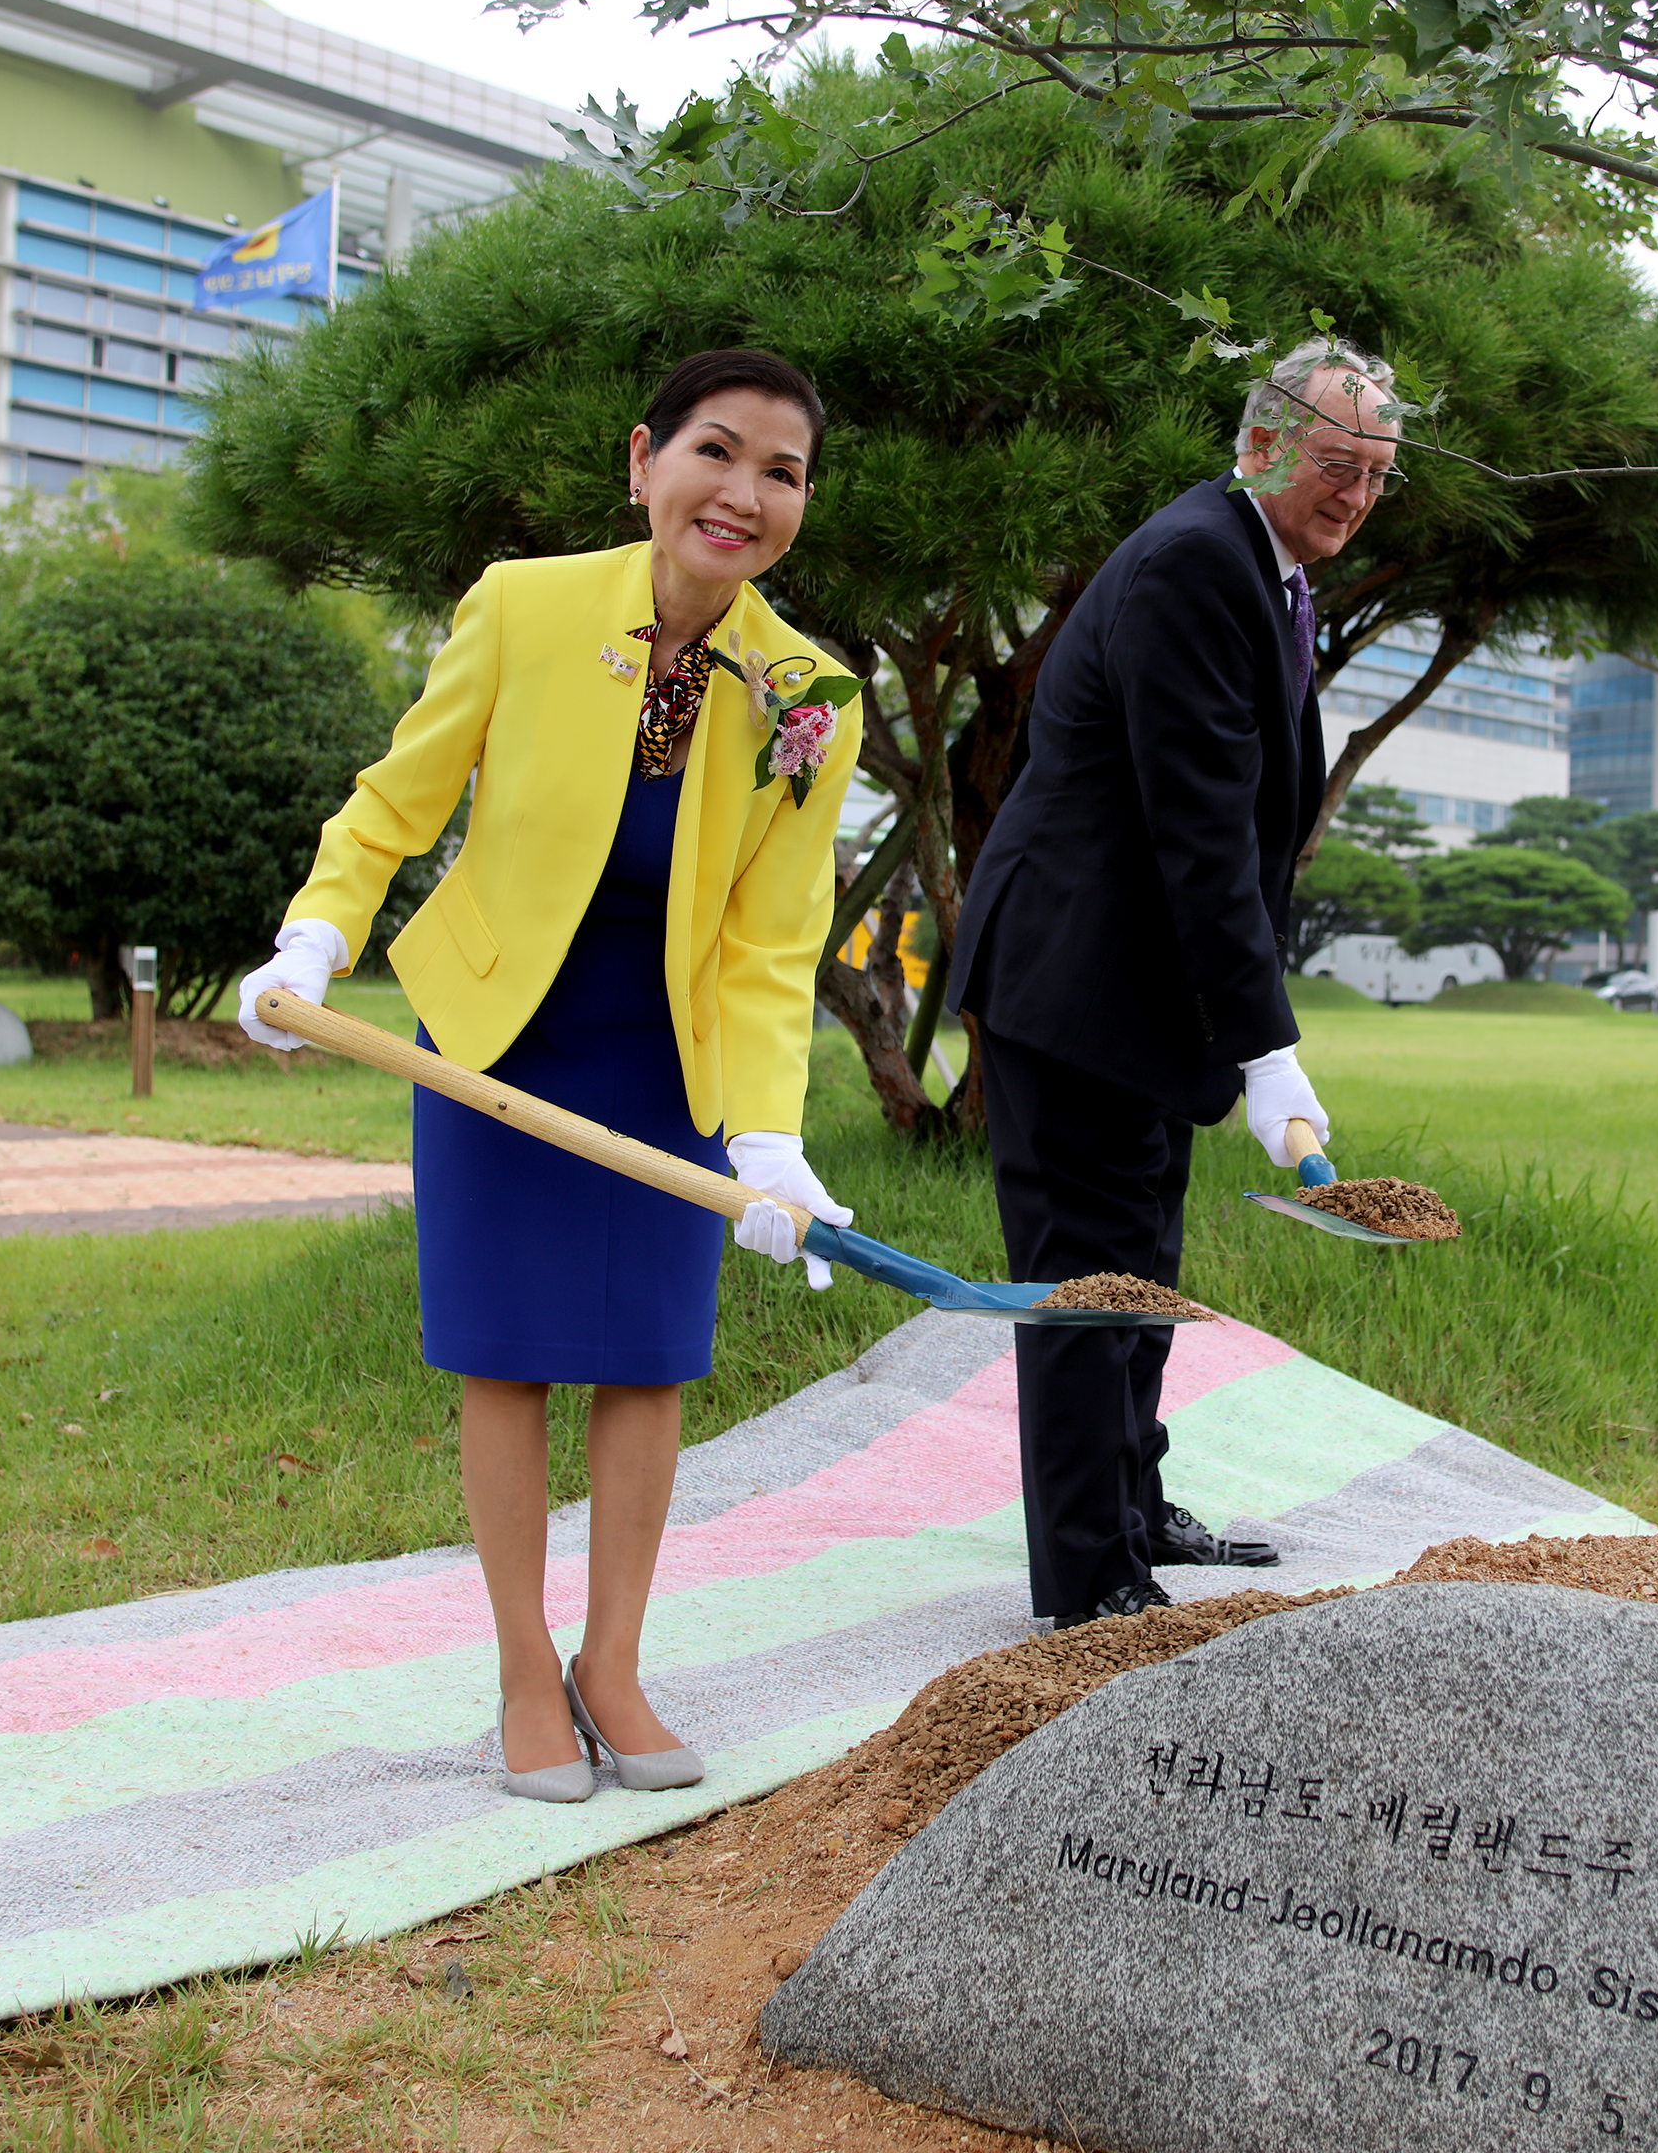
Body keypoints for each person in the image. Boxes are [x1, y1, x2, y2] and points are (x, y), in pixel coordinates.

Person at [236, 347, 861, 1801]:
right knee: (506, 1352)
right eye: (717, 451)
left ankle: (613, 1663)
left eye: (784, 473)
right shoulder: (521, 605)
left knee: (650, 1358)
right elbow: (402, 797)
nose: (745, 493)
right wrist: (319, 935)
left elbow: (776, 942)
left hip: (666, 1058)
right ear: (645, 459)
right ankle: (524, 1667)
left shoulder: (807, 695)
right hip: (493, 1036)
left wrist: (767, 1137)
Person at [946, 337, 1405, 1627]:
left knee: (1144, 1261)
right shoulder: (1200, 561)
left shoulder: (1260, 567)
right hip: (1077, 976)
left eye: (1376, 474)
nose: (1355, 495)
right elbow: (1199, 831)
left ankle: (1134, 1510)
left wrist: (1241, 1038)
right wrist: (1269, 1052)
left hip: (1142, 993)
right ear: (1262, 442)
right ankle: (1092, 1581)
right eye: (1335, 463)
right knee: (1090, 1285)